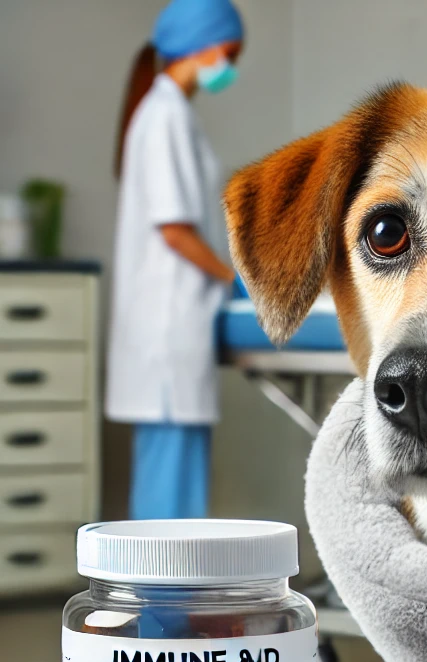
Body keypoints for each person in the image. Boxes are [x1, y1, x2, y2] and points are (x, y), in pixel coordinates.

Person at [107, 0, 244, 519]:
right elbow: (174, 229)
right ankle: (163, 602)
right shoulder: (165, 115)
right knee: (170, 501)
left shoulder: (168, 113)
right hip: (168, 332)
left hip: (174, 330)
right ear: (204, 46)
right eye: (229, 54)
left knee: (174, 491)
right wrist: (234, 280)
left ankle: (169, 601)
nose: (228, 67)